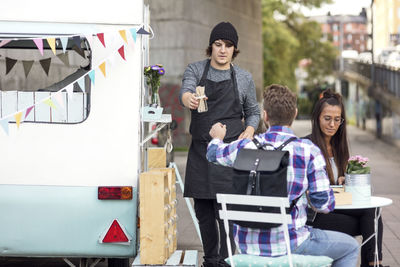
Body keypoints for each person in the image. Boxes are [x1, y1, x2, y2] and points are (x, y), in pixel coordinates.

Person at [206, 84, 359, 267]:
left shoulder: (245, 146)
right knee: (351, 247)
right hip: (291, 243)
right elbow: (324, 205)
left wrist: (217, 136)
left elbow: (213, 153)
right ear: (294, 114)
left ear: (265, 115)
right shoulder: (308, 151)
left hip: (247, 245)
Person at [179, 22, 260, 267]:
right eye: (218, 44)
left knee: (227, 214)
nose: (222, 50)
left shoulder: (244, 78)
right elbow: (185, 92)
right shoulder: (195, 69)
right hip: (201, 152)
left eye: (228, 45)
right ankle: (210, 261)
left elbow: (253, 111)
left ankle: (227, 262)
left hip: (229, 156)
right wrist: (189, 99)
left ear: (234, 49)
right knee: (203, 212)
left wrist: (249, 129)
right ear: (211, 46)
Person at [305, 89, 388, 267]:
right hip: (316, 214)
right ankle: (375, 264)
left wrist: (347, 182)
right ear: (317, 118)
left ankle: (374, 263)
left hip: (339, 205)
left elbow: (342, 187)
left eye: (337, 119)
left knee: (373, 210)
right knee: (368, 225)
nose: (332, 124)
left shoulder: (339, 147)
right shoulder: (306, 146)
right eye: (327, 118)